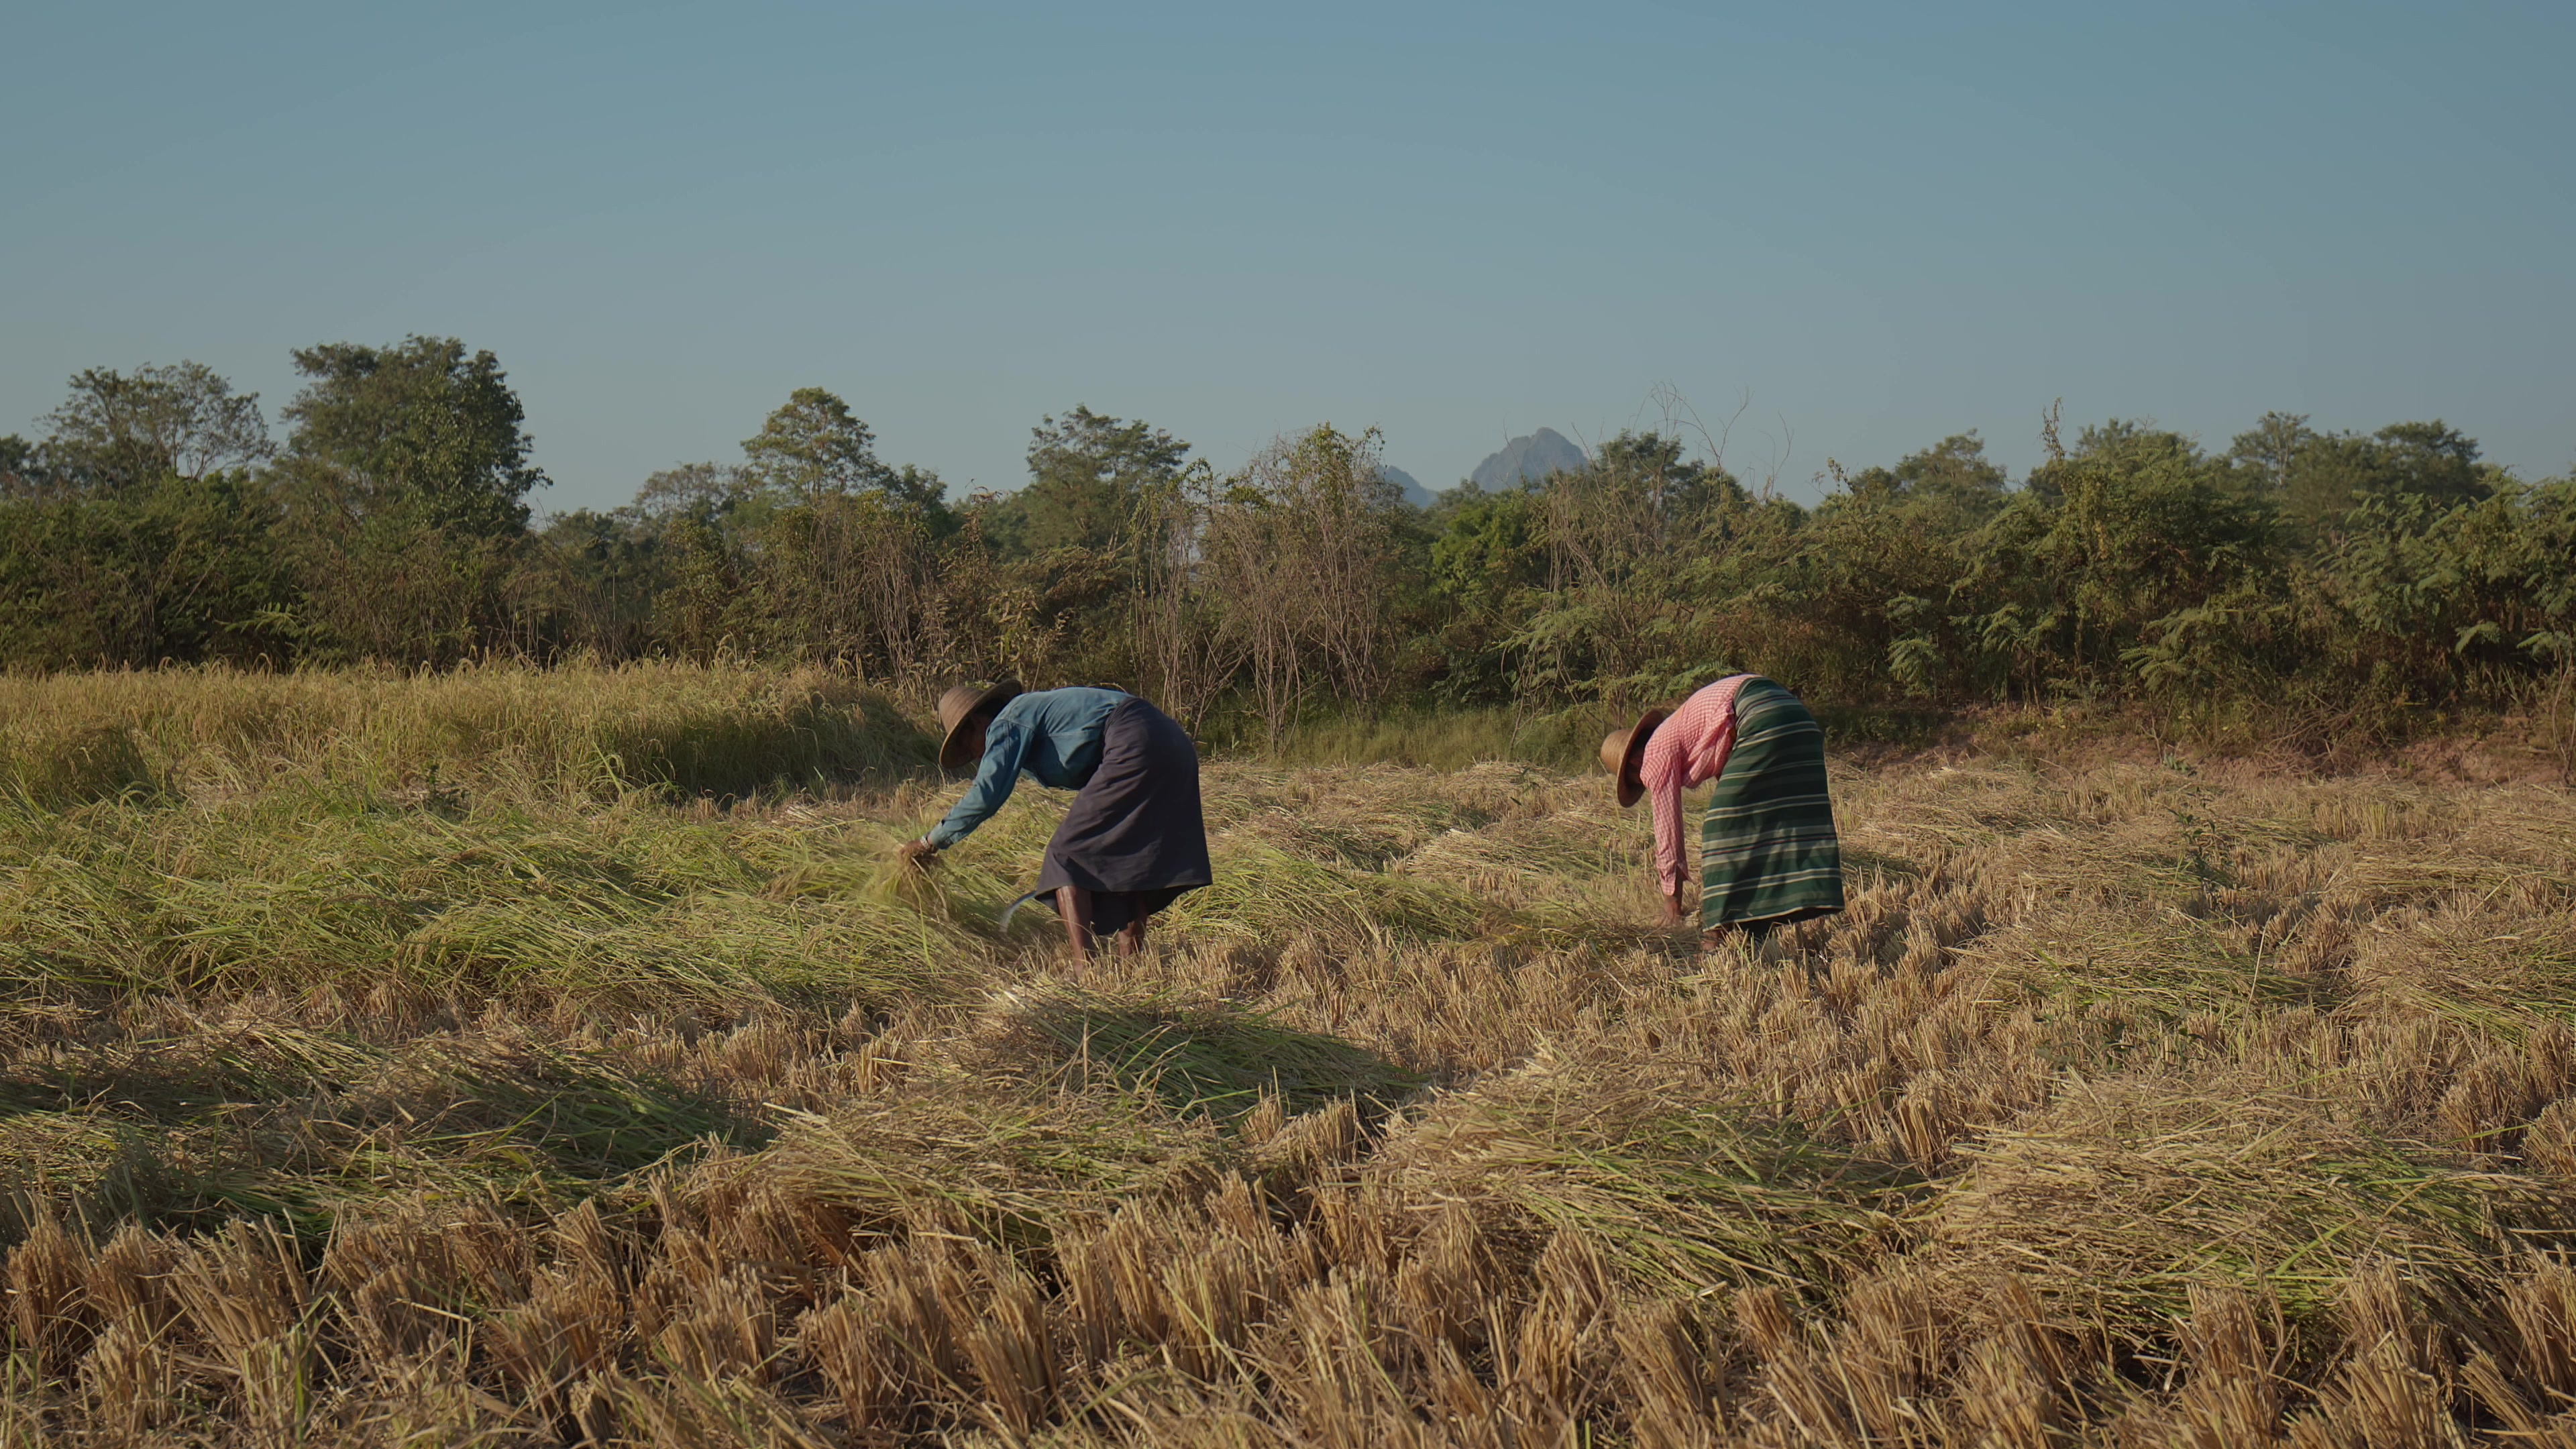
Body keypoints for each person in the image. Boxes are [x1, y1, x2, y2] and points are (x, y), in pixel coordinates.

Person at [900, 680, 1211, 966]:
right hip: (1172, 742)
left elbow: (987, 794)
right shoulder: (1030, 715)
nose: (974, 755)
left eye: (968, 746)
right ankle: (1131, 966)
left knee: (1066, 855)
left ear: (976, 723)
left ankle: (1084, 970)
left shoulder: (1007, 721)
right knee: (1129, 860)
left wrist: (930, 841)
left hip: (1134, 738)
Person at [1601, 674, 1844, 941]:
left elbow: (1668, 831)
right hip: (1796, 716)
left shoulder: (1654, 755)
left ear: (1635, 763)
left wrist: (1672, 905)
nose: (1646, 783)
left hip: (1759, 715)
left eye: (1637, 780)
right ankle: (1761, 919)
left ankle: (1717, 931)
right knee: (1770, 819)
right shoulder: (1684, 729)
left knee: (1721, 828)